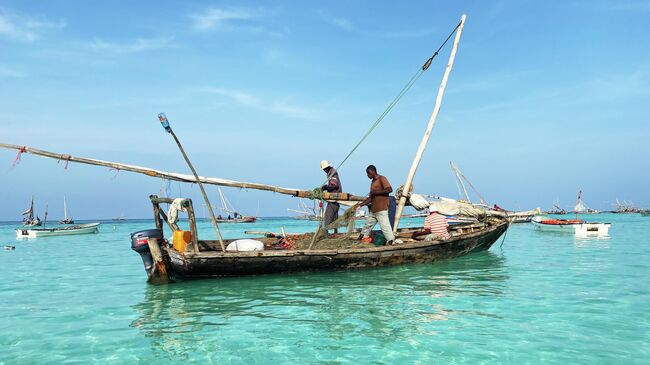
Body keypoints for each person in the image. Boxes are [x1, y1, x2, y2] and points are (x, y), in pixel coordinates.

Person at [358, 165, 397, 244]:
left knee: (385, 226)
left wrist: (376, 192)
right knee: (367, 225)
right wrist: (360, 205)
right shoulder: (373, 183)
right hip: (374, 210)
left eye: (368, 173)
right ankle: (359, 239)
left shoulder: (382, 178)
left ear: (372, 172)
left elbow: (389, 189)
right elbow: (371, 197)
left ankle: (391, 242)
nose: (367, 175)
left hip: (381, 208)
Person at [319, 160, 342, 234]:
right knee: (335, 216)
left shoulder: (332, 173)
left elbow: (334, 185)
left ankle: (325, 233)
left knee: (328, 215)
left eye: (324, 169)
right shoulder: (331, 172)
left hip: (334, 197)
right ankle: (335, 233)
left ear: (327, 167)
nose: (324, 170)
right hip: (335, 198)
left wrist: (324, 187)